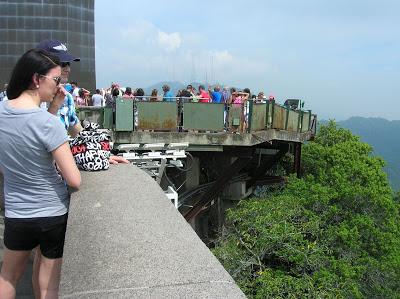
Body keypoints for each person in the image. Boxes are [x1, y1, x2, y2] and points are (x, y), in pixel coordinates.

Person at [0, 48, 81, 299]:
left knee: (8, 276)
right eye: (56, 80)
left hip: (16, 212)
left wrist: (53, 107)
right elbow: (74, 180)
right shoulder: (49, 125)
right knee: (48, 286)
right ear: (37, 79)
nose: (59, 87)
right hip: (51, 215)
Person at [37, 40, 128, 165]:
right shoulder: (16, 101)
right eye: (62, 64)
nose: (68, 68)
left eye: (68, 64)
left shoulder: (66, 98)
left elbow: (78, 133)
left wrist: (100, 153)